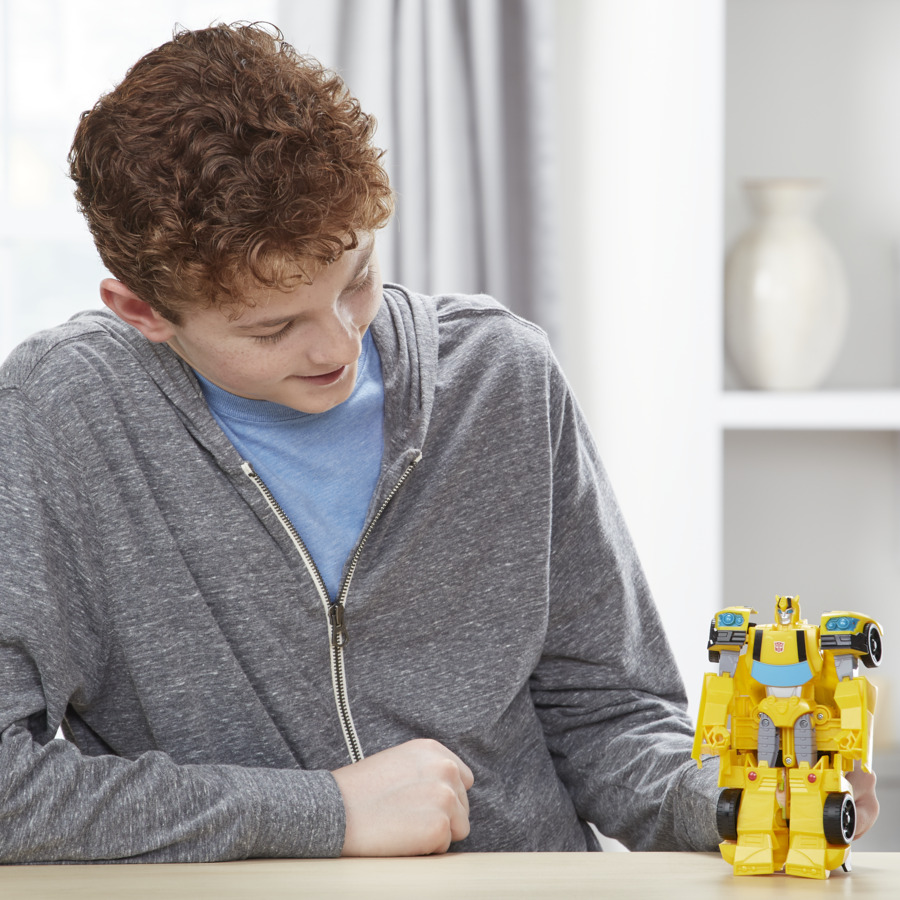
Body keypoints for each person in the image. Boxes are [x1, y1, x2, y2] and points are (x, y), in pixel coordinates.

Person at [0, 22, 876, 864]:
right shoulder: (61, 417)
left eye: (357, 281)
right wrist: (329, 812)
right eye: (273, 328)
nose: (340, 345)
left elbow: (609, 718)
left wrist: (730, 800)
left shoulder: (500, 376)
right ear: (143, 311)